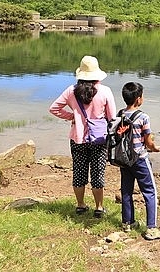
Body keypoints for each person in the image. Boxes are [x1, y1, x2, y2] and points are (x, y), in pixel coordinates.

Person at [49, 55, 116, 217]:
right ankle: (99, 207)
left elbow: (54, 108)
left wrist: (72, 117)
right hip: (99, 139)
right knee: (97, 173)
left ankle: (80, 205)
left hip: (77, 139)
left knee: (79, 172)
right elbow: (112, 118)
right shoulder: (105, 91)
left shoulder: (71, 91)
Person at [118, 81, 160, 240]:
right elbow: (148, 141)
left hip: (124, 159)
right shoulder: (143, 117)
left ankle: (128, 223)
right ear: (138, 99)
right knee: (150, 192)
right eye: (142, 95)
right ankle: (151, 229)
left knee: (126, 191)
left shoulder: (120, 115)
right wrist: (155, 148)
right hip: (139, 159)